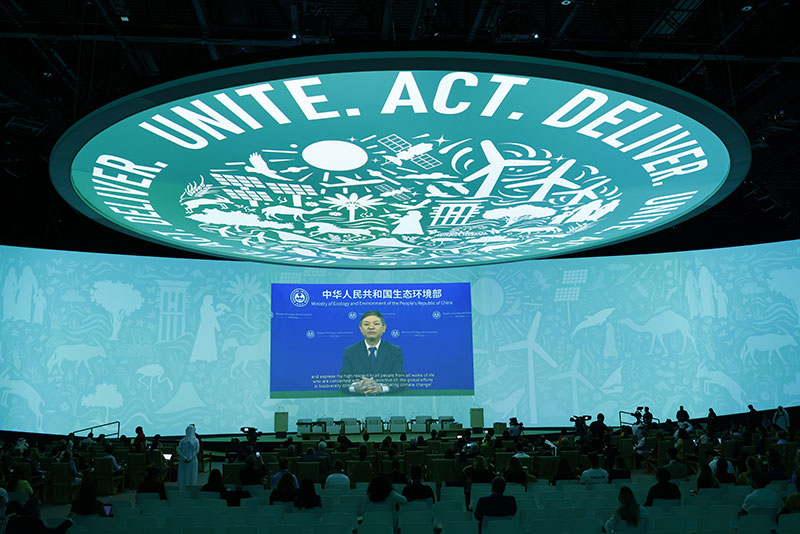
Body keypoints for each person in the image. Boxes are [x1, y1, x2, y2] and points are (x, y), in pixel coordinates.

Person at [340, 310, 406, 395]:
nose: (371, 327)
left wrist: (381, 388)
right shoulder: (350, 351)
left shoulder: (394, 351)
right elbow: (343, 382)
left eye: (376, 324)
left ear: (384, 327)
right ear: (360, 328)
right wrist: (356, 387)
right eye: (366, 324)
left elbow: (401, 381)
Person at [6, 497, 72, 534]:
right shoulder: (36, 523)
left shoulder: (13, 519)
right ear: (37, 510)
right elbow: (54, 533)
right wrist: (69, 521)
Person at [177, 424, 199, 490]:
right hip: (191, 461)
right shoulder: (195, 441)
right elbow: (196, 451)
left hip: (185, 461)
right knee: (190, 475)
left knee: (186, 475)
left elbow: (179, 450)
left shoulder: (182, 440)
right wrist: (189, 458)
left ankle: (184, 488)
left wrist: (184, 457)